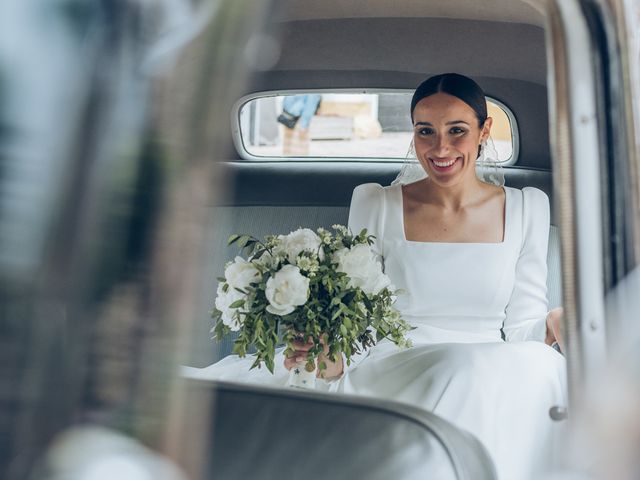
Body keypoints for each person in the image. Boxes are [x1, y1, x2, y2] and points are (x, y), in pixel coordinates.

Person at [187, 74, 566, 480]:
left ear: (484, 130)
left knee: (527, 368)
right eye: (426, 131)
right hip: (398, 363)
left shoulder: (529, 208)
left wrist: (554, 324)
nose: (440, 148)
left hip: (492, 366)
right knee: (470, 372)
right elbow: (362, 317)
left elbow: (524, 327)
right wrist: (334, 360)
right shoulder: (377, 203)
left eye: (457, 130)